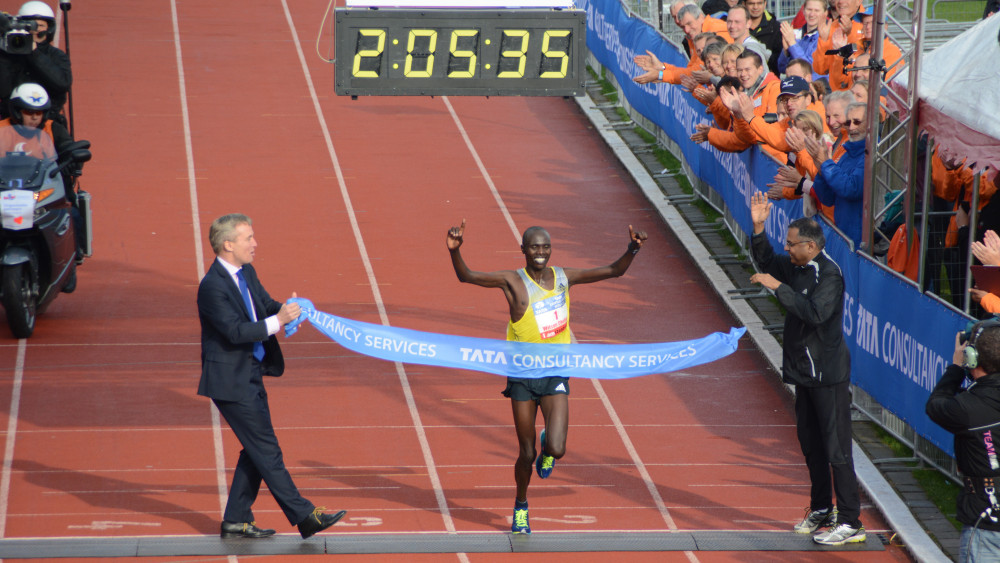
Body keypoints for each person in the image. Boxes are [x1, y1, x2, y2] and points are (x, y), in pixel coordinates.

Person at [445, 219, 647, 534]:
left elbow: (613, 271)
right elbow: (467, 277)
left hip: (554, 372)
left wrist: (632, 249)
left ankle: (547, 448)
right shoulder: (512, 280)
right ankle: (521, 506)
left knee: (557, 447)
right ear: (523, 250)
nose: (541, 252)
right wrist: (456, 251)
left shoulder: (565, 278)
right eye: (534, 247)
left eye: (545, 246)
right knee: (525, 453)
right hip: (523, 377)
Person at [197, 214, 346, 540]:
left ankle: (236, 519)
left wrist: (290, 310)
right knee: (266, 449)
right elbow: (236, 332)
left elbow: (265, 306)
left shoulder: (246, 272)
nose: (255, 243)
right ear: (228, 244)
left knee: (256, 448)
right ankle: (305, 516)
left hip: (251, 372)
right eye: (248, 237)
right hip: (230, 382)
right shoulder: (211, 288)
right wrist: (279, 320)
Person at [748, 192, 865, 546]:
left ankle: (851, 521)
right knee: (811, 445)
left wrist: (778, 287)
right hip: (804, 373)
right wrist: (757, 227)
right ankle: (820, 509)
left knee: (836, 449)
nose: (786, 249)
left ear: (811, 246)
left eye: (791, 244)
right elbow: (766, 262)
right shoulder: (797, 266)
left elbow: (815, 313)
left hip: (827, 375)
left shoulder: (829, 275)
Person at [926, 320, 1000, 562]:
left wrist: (955, 368)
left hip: (987, 526)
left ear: (971, 358)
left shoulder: (968, 409)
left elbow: (936, 405)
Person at [805, 101, 867, 247]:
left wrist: (826, 163)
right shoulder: (847, 153)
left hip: (860, 241)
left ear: (870, 123)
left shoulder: (871, 154)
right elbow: (828, 198)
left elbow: (851, 188)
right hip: (842, 236)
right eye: (848, 122)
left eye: (857, 122)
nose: (851, 127)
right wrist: (821, 169)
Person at [0, 1, 72, 124]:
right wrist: (4, 53)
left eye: (40, 25)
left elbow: (62, 83)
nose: (35, 30)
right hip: (12, 121)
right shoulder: (7, 55)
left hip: (48, 121)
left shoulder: (57, 55)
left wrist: (34, 53)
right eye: (29, 25)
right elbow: (3, 91)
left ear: (49, 29)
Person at [777, 0, 826, 77]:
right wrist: (786, 52)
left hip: (816, 86)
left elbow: (810, 69)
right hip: (794, 83)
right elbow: (782, 68)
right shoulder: (795, 33)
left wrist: (792, 43)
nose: (812, 14)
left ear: (825, 13)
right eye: (809, 9)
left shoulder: (826, 36)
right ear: (803, 11)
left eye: (816, 10)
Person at [744, 0, 782, 73]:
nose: (755, 7)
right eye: (751, 3)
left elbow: (779, 61)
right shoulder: (737, 26)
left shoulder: (776, 28)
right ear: (744, 4)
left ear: (765, 4)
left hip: (768, 77)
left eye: (759, 3)